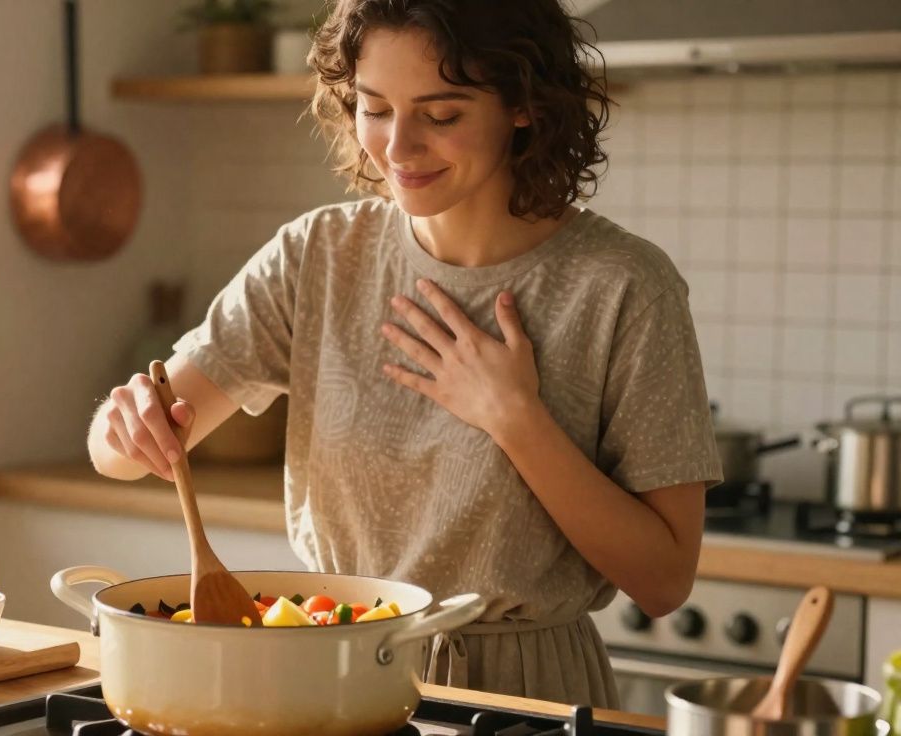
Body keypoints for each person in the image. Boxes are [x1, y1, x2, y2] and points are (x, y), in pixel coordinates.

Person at [86, 0, 723, 708]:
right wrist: (127, 427)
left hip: (523, 697)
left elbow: (665, 581)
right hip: (329, 674)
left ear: (522, 104)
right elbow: (120, 454)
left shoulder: (624, 285)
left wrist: (516, 419)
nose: (396, 147)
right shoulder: (317, 255)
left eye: (441, 114)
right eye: (374, 107)